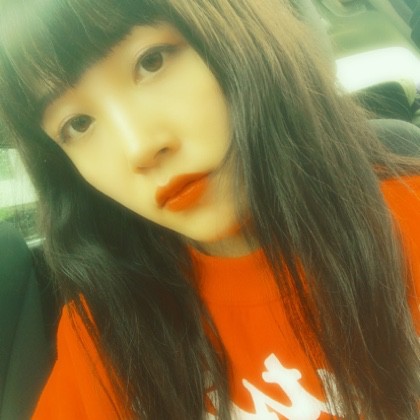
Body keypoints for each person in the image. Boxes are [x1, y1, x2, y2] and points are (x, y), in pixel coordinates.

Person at [0, 0, 419, 418]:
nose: (139, 147)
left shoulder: (408, 215)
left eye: (152, 61)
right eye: (77, 125)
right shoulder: (107, 331)